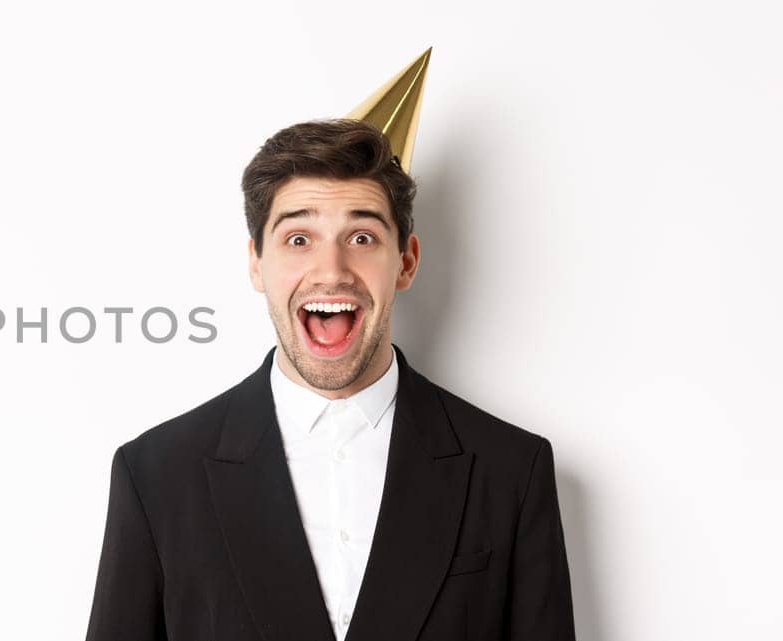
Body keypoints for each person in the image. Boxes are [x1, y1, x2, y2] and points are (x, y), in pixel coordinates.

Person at [83, 53, 576, 641]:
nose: (331, 269)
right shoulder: (156, 475)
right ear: (256, 264)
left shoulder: (510, 470)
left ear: (406, 262)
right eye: (298, 238)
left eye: (362, 237)